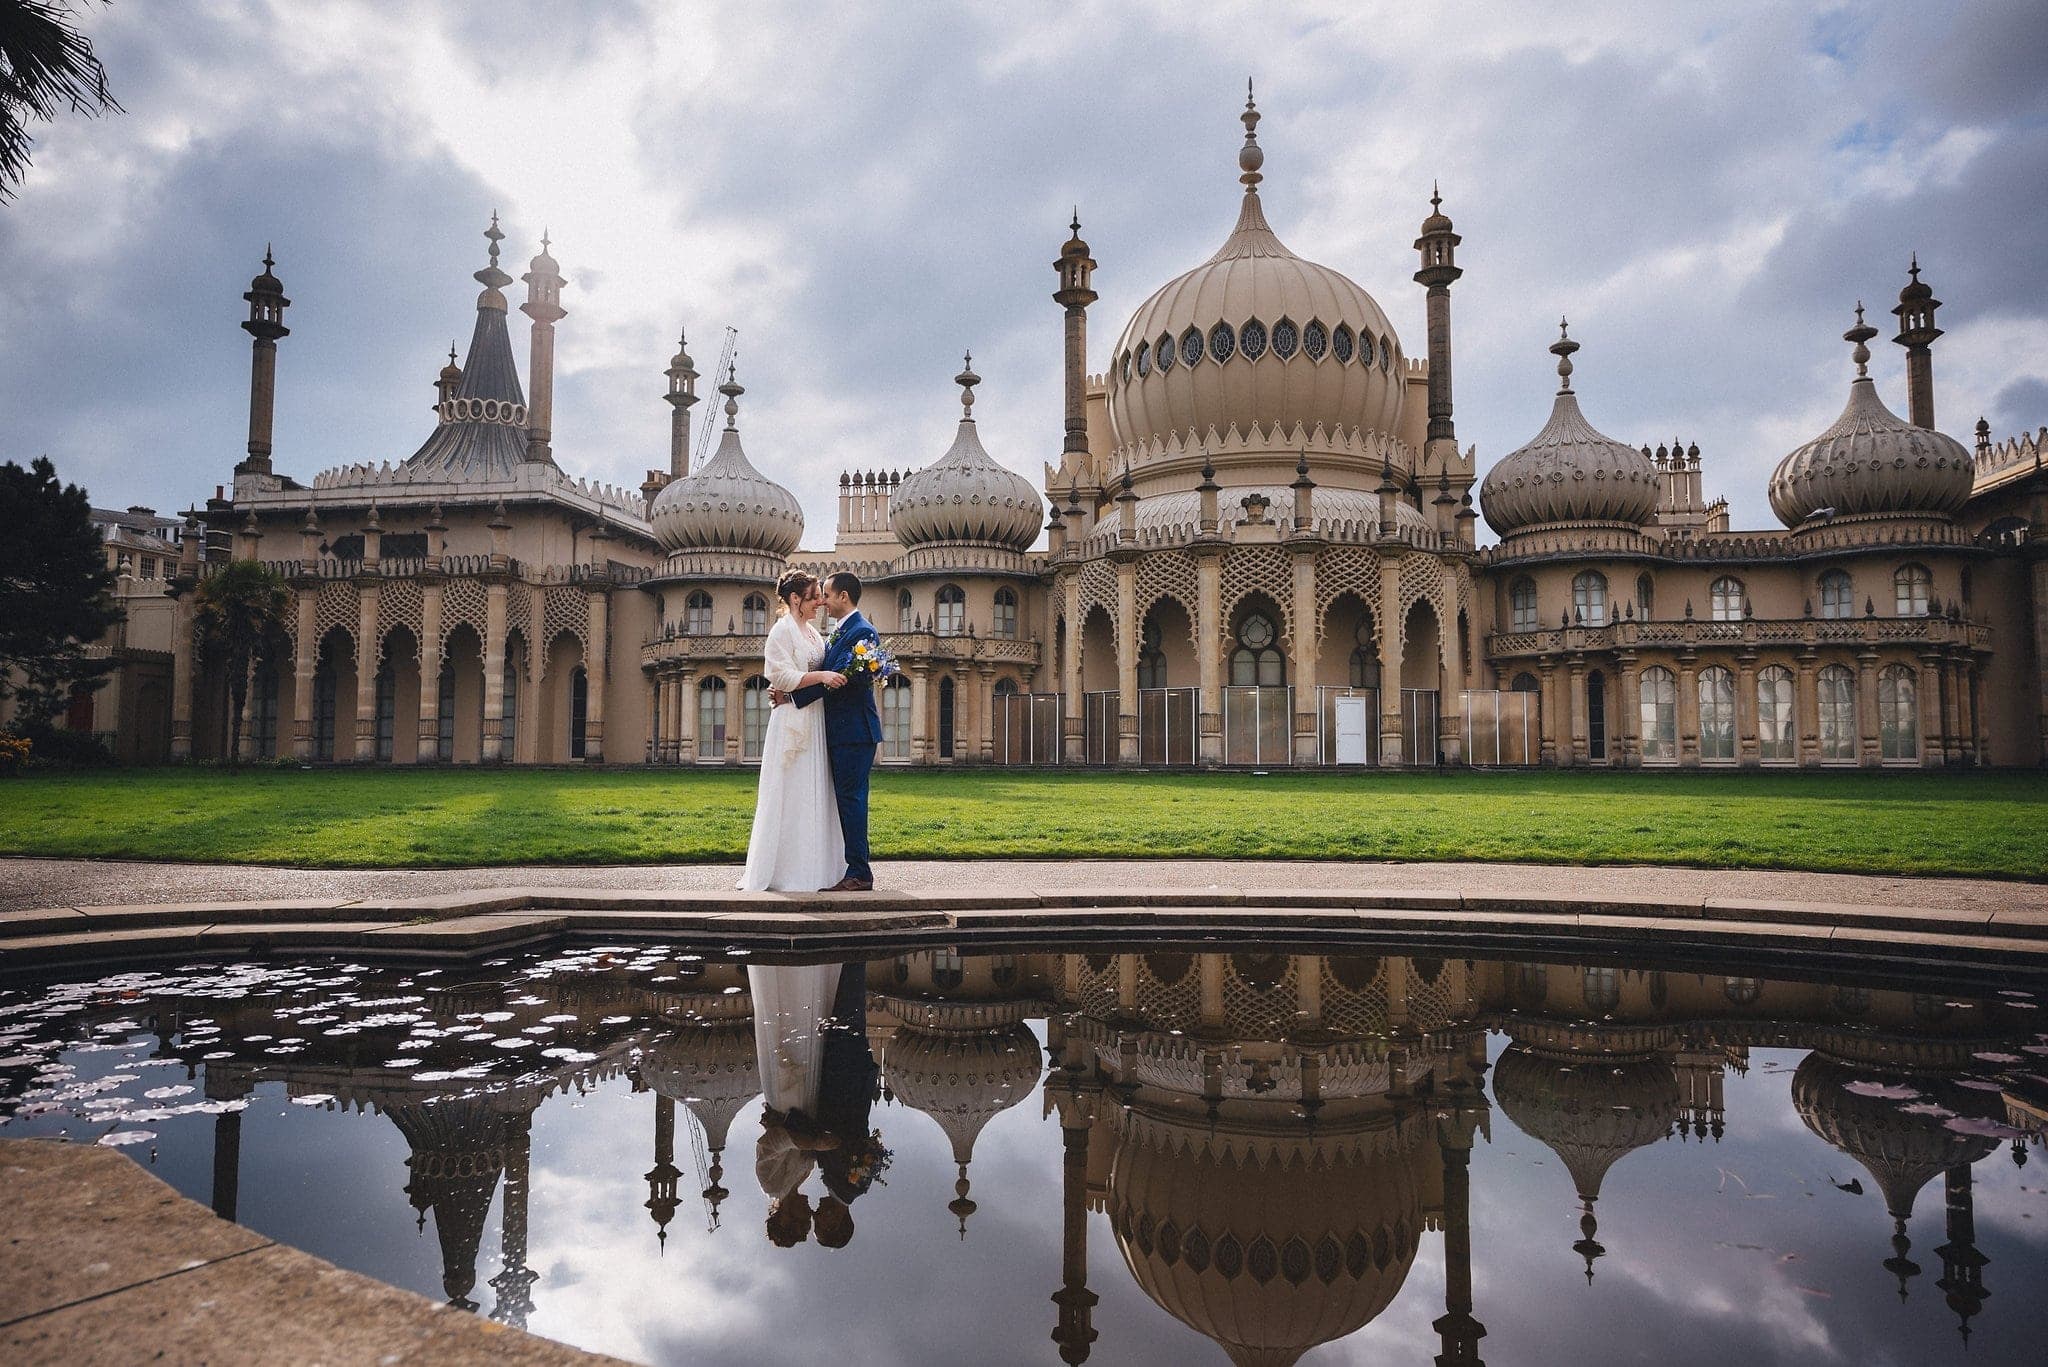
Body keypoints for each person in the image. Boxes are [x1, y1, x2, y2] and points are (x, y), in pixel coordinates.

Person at [738, 570, 847, 893]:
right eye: (814, 596)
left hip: (814, 717)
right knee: (791, 791)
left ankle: (816, 868)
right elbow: (780, 675)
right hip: (791, 721)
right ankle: (785, 871)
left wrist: (825, 676)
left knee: (814, 790)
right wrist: (822, 676)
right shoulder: (781, 631)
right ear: (795, 599)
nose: (820, 603)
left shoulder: (812, 633)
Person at [787, 571, 883, 892]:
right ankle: (849, 868)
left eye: (826, 594)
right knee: (844, 800)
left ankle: (859, 872)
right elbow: (827, 674)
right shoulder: (841, 632)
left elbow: (838, 678)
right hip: (842, 732)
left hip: (855, 733)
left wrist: (793, 696)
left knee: (851, 800)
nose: (822, 601)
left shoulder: (862, 632)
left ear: (844, 597)